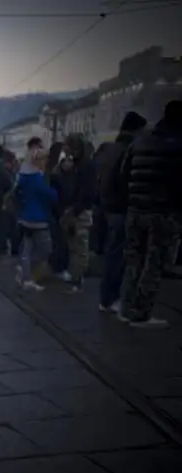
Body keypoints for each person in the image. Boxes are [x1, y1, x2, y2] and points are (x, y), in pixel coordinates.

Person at [118, 101, 182, 328]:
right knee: (153, 263)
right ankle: (141, 313)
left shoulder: (140, 141)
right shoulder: (177, 145)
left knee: (133, 259)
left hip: (135, 211)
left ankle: (125, 309)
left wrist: (132, 199)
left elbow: (123, 175)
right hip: (162, 213)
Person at [96, 111, 147, 313]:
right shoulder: (128, 149)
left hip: (110, 206)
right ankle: (111, 298)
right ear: (136, 130)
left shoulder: (112, 148)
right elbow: (126, 180)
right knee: (118, 255)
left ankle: (107, 298)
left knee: (113, 253)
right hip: (121, 207)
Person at [13, 140, 57, 291]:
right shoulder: (38, 178)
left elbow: (17, 195)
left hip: (24, 218)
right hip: (38, 219)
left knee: (27, 248)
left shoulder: (23, 177)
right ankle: (27, 274)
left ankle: (25, 275)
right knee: (45, 249)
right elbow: (50, 196)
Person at [62, 133, 97, 293]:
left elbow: (87, 192)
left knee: (80, 245)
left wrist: (74, 209)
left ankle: (78, 279)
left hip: (79, 210)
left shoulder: (84, 166)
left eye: (67, 146)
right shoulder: (77, 165)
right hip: (74, 209)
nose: (65, 150)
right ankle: (75, 276)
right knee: (74, 245)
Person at [48, 154, 76, 279]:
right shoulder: (56, 177)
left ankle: (60, 266)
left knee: (64, 242)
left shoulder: (71, 176)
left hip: (67, 211)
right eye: (66, 161)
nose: (69, 164)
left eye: (71, 161)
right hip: (58, 213)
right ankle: (59, 268)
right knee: (60, 242)